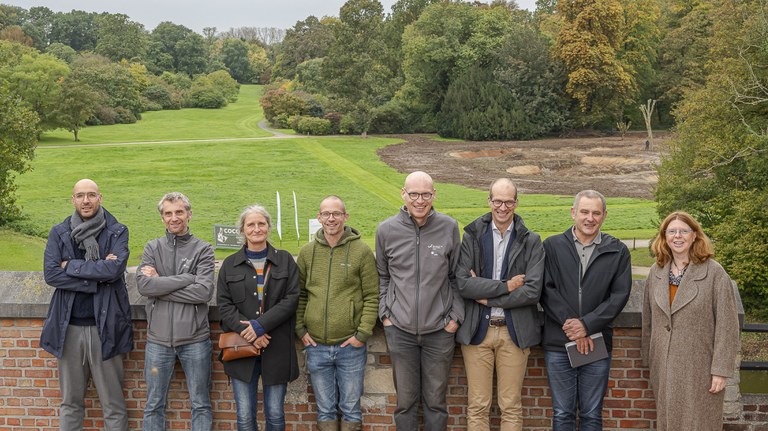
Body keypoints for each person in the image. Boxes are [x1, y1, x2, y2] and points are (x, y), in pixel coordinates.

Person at [41, 179, 132, 431]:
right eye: (80, 196)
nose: (86, 201)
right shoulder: (59, 232)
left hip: (106, 329)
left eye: (91, 195)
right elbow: (51, 274)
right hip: (68, 329)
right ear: (73, 200)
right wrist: (94, 279)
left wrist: (69, 265)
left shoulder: (117, 231)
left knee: (113, 404)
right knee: (70, 403)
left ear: (100, 198)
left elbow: (113, 270)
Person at [376, 171, 463, 431]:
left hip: (439, 331)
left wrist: (454, 319)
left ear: (434, 195)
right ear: (403, 194)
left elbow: (456, 277)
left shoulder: (449, 227)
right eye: (414, 194)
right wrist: (386, 316)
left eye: (426, 194)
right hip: (400, 330)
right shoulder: (386, 230)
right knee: (405, 402)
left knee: (436, 402)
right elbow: (382, 276)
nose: (420, 200)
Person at [456, 178, 545, 431]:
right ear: (489, 201)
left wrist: (486, 296)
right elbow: (463, 284)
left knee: (511, 405)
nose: (503, 207)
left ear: (516, 203)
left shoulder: (531, 241)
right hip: (477, 332)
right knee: (478, 405)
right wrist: (505, 286)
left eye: (508, 201)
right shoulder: (472, 235)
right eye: (498, 201)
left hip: (513, 331)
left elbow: (532, 291)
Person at [540, 189, 632, 431]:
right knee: (562, 413)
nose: (590, 218)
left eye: (596, 213)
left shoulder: (617, 250)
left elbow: (619, 295)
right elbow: (546, 290)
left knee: (592, 414)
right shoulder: (551, 246)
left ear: (604, 216)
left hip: (596, 342)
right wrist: (574, 326)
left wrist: (587, 325)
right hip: (559, 343)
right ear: (573, 213)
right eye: (584, 212)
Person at [641, 211, 739, 431]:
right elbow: (648, 322)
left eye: (683, 231)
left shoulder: (714, 273)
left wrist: (721, 370)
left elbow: (728, 325)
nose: (678, 236)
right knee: (668, 422)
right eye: (672, 231)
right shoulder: (655, 273)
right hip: (664, 366)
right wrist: (649, 360)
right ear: (664, 236)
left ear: (694, 235)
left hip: (700, 368)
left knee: (699, 423)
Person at [296, 195, 379, 431]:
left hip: (349, 347)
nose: (331, 218)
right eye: (326, 214)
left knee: (351, 408)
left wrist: (361, 334)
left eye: (336, 214)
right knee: (324, 409)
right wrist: (301, 330)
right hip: (316, 346)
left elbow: (372, 295)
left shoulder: (361, 251)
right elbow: (300, 295)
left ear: (345, 217)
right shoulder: (307, 252)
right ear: (319, 217)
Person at [136, 192, 215, 431]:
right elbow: (144, 286)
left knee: (200, 404)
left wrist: (161, 284)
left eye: (179, 212)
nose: (174, 218)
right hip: (158, 341)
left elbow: (202, 293)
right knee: (153, 404)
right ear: (162, 218)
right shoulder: (152, 247)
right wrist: (187, 279)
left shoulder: (203, 249)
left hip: (195, 340)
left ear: (189, 214)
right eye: (168, 213)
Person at [217, 204, 299, 431]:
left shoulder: (285, 261)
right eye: (250, 224)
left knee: (274, 414)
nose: (256, 229)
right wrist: (251, 334)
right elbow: (224, 306)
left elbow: (291, 299)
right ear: (242, 230)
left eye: (261, 223)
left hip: (277, 347)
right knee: (244, 416)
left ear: (268, 227)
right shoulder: (229, 265)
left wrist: (260, 326)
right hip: (241, 351)